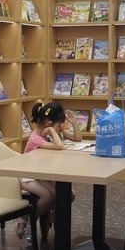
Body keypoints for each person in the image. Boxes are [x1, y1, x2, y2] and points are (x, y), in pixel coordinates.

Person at [16, 102, 81, 241]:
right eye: (58, 125)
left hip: (42, 174)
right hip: (27, 174)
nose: (60, 128)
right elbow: (59, 146)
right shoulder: (36, 139)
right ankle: (28, 220)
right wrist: (52, 130)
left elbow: (77, 138)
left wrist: (74, 123)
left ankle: (48, 219)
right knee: (48, 196)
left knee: (68, 195)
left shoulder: (54, 132)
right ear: (49, 123)